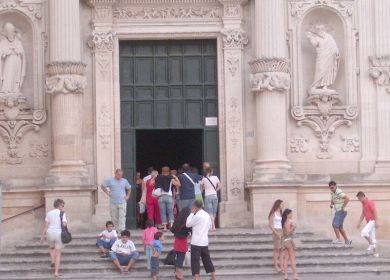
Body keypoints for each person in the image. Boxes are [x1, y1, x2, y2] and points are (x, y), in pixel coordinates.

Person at [186, 200, 216, 280]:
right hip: (204, 241)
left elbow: (188, 224)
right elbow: (210, 227)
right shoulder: (207, 215)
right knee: (207, 259)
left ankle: (197, 278)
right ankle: (213, 276)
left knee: (195, 261)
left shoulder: (197, 216)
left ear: (195, 207)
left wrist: (192, 213)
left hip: (196, 242)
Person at [307, 24, 340, 91]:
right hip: (321, 57)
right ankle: (316, 84)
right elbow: (314, 44)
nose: (320, 32)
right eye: (318, 30)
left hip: (330, 57)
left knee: (328, 70)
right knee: (320, 69)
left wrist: (336, 52)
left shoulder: (329, 37)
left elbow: (335, 47)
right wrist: (310, 37)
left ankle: (326, 85)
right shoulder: (317, 38)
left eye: (321, 30)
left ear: (324, 31)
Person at [40, 199, 67, 278]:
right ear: (59, 205)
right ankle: (56, 272)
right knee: (58, 254)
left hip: (49, 233)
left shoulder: (49, 213)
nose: (63, 207)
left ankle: (52, 260)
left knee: (51, 248)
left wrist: (42, 236)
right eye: (62, 205)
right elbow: (65, 224)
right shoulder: (62, 213)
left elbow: (46, 225)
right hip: (58, 233)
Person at [0, 22, 26, 94]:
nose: (10, 33)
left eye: (11, 31)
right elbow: (1, 53)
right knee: (7, 74)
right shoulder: (3, 42)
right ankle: (6, 89)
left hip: (16, 61)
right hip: (8, 62)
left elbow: (21, 52)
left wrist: (15, 50)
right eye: (8, 31)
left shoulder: (18, 42)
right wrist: (8, 52)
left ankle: (15, 89)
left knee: (16, 76)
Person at [156, 166, 181, 231]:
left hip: (161, 196)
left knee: (162, 212)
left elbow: (152, 183)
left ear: (162, 171)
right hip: (169, 196)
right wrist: (176, 177)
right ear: (168, 171)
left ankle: (164, 227)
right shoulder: (171, 178)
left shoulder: (159, 177)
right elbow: (178, 184)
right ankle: (171, 226)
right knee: (170, 212)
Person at [171, 207, 192, 280]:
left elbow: (172, 229)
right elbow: (190, 230)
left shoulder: (178, 219)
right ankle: (179, 273)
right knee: (181, 257)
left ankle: (177, 272)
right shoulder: (186, 222)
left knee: (179, 256)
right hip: (182, 241)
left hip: (177, 240)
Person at [329, 181, 352, 245]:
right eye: (330, 188)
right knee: (339, 227)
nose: (332, 189)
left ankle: (338, 239)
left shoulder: (338, 192)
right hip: (338, 211)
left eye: (333, 187)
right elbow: (333, 199)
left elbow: (347, 198)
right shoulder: (333, 193)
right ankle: (347, 241)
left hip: (341, 211)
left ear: (336, 186)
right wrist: (331, 204)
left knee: (334, 224)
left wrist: (343, 207)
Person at [356, 192, 379, 256]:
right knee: (372, 237)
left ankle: (371, 244)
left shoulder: (369, 202)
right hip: (369, 222)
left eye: (359, 199)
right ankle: (375, 253)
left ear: (363, 197)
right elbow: (363, 213)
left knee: (364, 232)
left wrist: (377, 222)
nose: (359, 201)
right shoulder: (363, 203)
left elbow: (375, 211)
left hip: (372, 221)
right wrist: (359, 222)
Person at [281, 208, 299, 280]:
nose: (292, 215)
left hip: (285, 241)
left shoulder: (283, 221)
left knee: (286, 259)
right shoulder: (289, 222)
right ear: (287, 214)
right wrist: (293, 227)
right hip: (289, 241)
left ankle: (285, 275)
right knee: (292, 259)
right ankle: (295, 275)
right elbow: (288, 233)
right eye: (290, 213)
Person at [268, 199, 284, 273]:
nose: (282, 206)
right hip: (276, 231)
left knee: (281, 250)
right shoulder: (273, 213)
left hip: (281, 231)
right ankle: (276, 266)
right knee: (276, 250)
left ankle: (282, 266)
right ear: (278, 205)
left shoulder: (281, 213)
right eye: (281, 204)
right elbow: (270, 225)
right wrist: (276, 233)